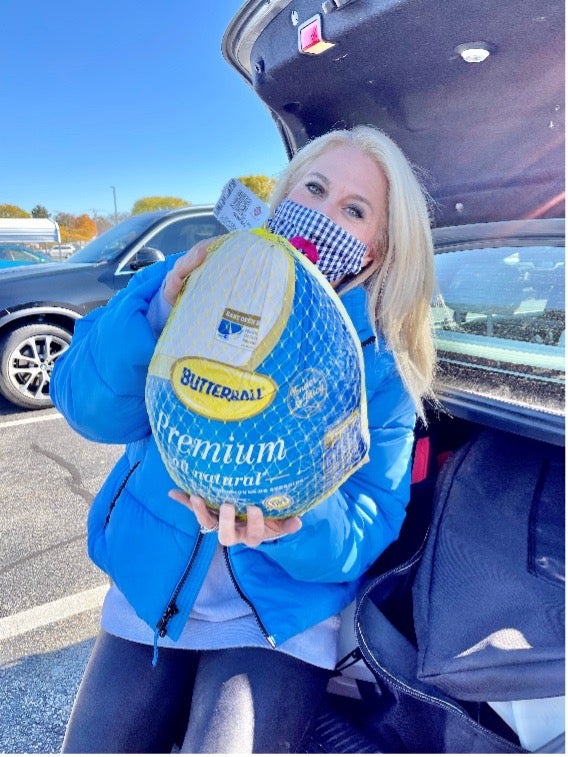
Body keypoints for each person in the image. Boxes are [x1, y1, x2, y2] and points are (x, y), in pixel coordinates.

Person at [50, 124, 436, 754]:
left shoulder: (378, 367)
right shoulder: (194, 285)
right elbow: (89, 410)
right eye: (312, 188)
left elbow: (368, 518)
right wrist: (159, 314)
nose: (319, 215)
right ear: (282, 194)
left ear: (377, 251)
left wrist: (296, 519)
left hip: (278, 621)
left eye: (354, 210)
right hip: (153, 591)